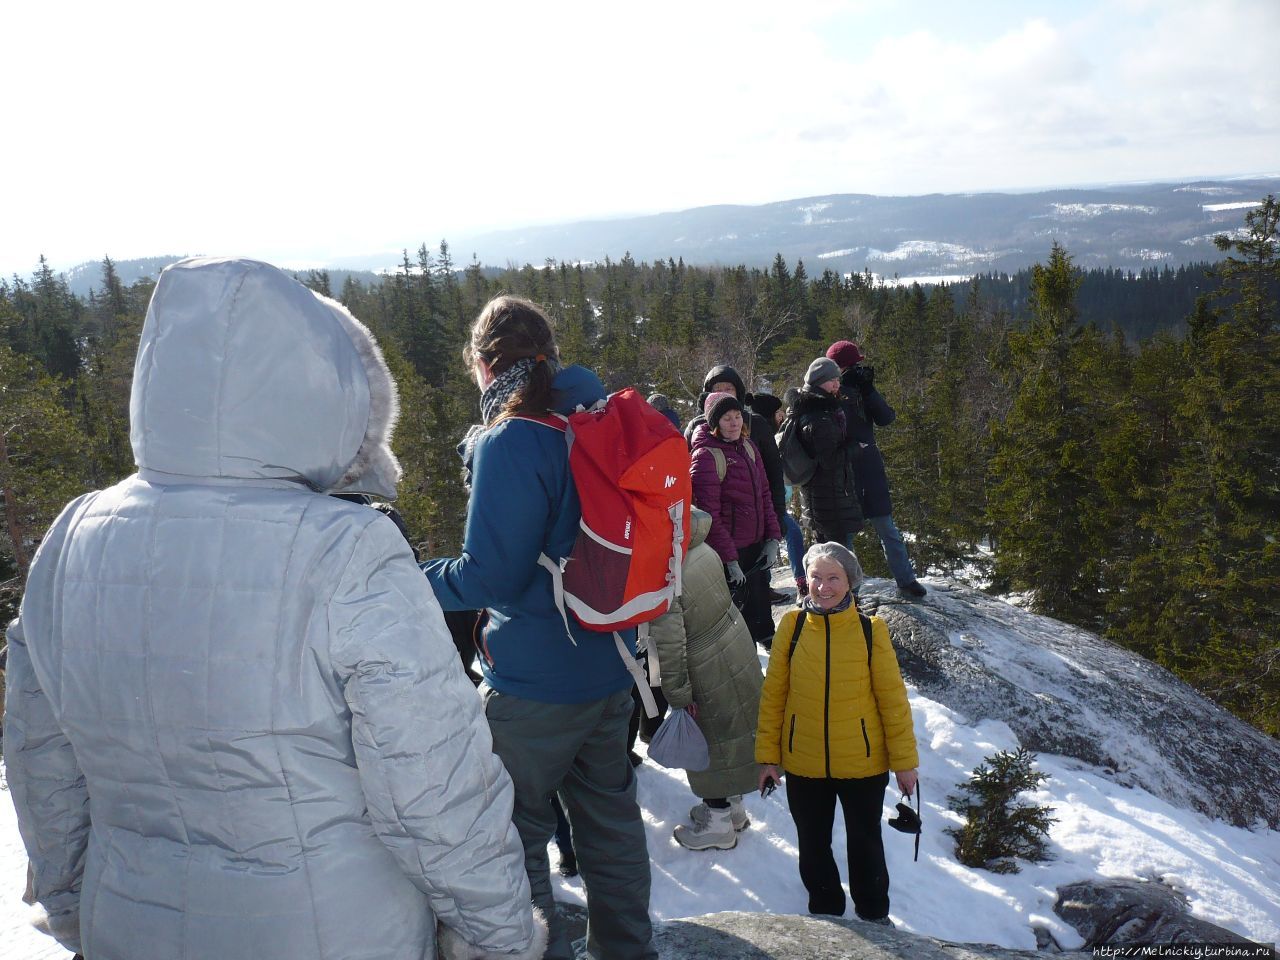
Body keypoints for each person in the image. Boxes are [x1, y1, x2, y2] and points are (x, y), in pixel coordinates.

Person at [2, 258, 545, 960]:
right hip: (334, 930)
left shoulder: (73, 537)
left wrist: (72, 902)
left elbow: (42, 757)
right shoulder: (349, 549)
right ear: (321, 394)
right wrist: (496, 931)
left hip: (129, 922)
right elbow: (432, 782)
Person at [422, 295, 655, 960]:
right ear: (550, 354)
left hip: (531, 684)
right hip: (611, 666)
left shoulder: (512, 439)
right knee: (609, 826)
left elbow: (487, 577)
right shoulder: (598, 417)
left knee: (512, 834)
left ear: (485, 363)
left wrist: (410, 577)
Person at [756, 541, 919, 925]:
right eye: (816, 577)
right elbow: (774, 695)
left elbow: (893, 701)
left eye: (833, 578)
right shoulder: (791, 627)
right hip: (804, 761)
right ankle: (826, 914)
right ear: (804, 580)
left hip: (863, 762)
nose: (823, 586)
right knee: (812, 845)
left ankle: (874, 914)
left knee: (865, 842)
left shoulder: (869, 630)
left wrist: (905, 764)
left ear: (850, 583)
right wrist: (768, 756)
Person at [650, 507, 764, 851]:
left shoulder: (665, 571)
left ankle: (717, 823)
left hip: (703, 663)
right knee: (732, 734)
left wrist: (679, 695)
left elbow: (670, 645)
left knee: (710, 742)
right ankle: (734, 809)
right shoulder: (699, 544)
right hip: (731, 642)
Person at [826, 340, 927, 599]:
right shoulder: (828, 393)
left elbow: (886, 418)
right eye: (853, 365)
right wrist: (845, 391)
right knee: (845, 537)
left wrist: (868, 390)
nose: (857, 369)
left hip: (870, 469)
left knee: (888, 529)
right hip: (845, 471)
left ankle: (906, 580)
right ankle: (849, 592)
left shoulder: (861, 388)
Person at [690, 391, 782, 647]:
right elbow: (709, 516)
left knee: (762, 620)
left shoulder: (749, 448)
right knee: (737, 628)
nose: (734, 423)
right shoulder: (706, 456)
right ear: (714, 424)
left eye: (738, 416)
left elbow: (765, 496)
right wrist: (730, 559)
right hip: (730, 552)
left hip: (756, 547)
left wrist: (773, 538)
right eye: (727, 418)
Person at [684, 364, 787, 527]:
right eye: (717, 389)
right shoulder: (697, 427)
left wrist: (779, 514)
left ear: (738, 392)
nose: (723, 393)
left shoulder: (756, 423)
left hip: (755, 522)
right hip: (711, 523)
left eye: (728, 388)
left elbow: (774, 472)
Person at [791, 357, 864, 552]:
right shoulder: (819, 417)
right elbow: (830, 461)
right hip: (830, 502)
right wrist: (856, 447)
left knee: (827, 559)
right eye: (832, 380)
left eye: (838, 379)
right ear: (818, 382)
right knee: (841, 563)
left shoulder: (813, 410)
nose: (836, 385)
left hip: (824, 501)